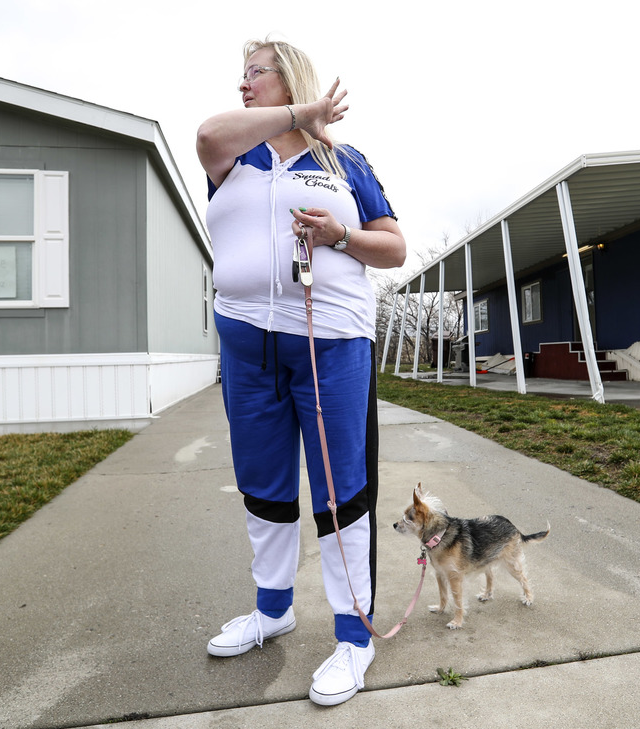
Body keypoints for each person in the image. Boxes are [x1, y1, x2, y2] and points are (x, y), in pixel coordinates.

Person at [196, 36, 406, 707]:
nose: (242, 85)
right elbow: (207, 132)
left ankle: (354, 635)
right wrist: (300, 114)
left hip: (332, 342)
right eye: (243, 74)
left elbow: (394, 246)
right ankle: (272, 608)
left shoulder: (344, 161)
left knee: (343, 486)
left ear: (286, 77)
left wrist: (339, 236)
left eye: (254, 73)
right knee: (263, 480)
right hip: (247, 344)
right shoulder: (234, 153)